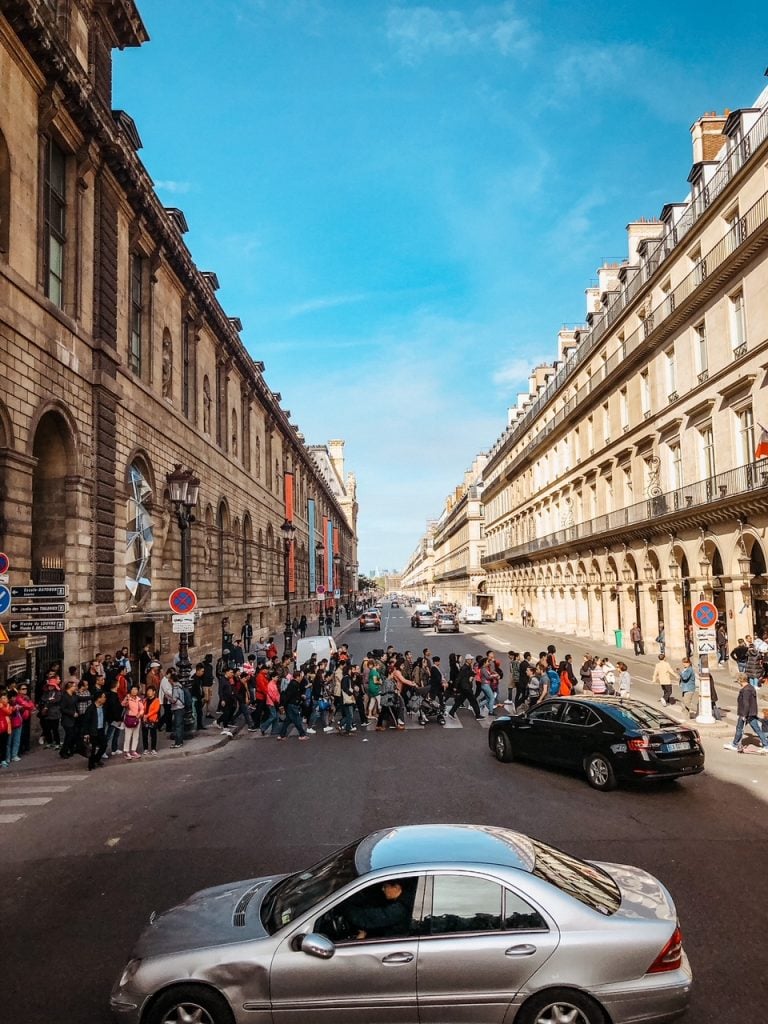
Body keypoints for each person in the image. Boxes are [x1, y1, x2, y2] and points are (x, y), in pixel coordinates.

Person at [344, 880, 411, 940]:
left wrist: (347, 910)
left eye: (385, 886)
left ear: (396, 887)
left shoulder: (399, 909)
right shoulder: (402, 901)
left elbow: (371, 919)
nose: (382, 889)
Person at [724, 675, 768, 753]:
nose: (738, 683)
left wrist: (744, 715)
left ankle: (734, 744)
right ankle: (766, 745)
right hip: (751, 712)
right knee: (757, 729)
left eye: (738, 681)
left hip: (746, 713)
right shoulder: (751, 687)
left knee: (739, 728)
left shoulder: (746, 690)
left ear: (741, 681)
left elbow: (746, 704)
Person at [83, 691, 108, 770]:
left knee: (104, 745)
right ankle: (91, 764)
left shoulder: (103, 707)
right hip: (93, 731)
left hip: (101, 729)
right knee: (92, 748)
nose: (105, 699)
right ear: (98, 698)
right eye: (103, 697)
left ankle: (96, 759)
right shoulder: (91, 708)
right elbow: (86, 721)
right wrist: (86, 733)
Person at [121, 683, 145, 759]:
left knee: (136, 735)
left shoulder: (139, 699)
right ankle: (126, 751)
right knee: (128, 735)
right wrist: (126, 700)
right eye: (133, 689)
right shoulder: (128, 697)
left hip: (137, 719)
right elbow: (123, 704)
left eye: (136, 689)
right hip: (129, 718)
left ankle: (133, 750)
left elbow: (142, 709)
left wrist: (139, 714)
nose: (134, 691)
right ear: (130, 690)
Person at [142, 685, 160, 755]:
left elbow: (155, 710)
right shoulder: (145, 700)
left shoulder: (157, 700)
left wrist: (147, 715)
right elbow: (142, 708)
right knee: (144, 735)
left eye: (150, 691)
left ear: (154, 692)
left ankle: (153, 748)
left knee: (153, 735)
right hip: (145, 720)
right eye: (148, 691)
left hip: (153, 720)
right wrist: (143, 715)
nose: (148, 692)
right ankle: (145, 749)